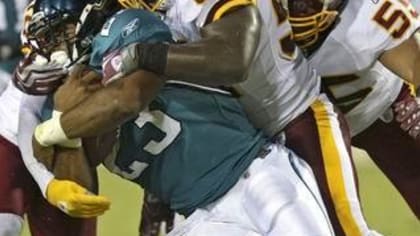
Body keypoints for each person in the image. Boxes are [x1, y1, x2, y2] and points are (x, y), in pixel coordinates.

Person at [51, 1, 377, 235]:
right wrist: (61, 121)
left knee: (348, 230)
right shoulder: (85, 75)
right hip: (231, 158)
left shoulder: (173, 13)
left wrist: (138, 55)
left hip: (295, 117)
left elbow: (232, 61)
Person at [285, 0, 420, 219]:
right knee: (321, 217)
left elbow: (416, 65)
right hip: (312, 127)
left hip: (387, 107)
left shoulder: (365, 11)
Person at [0, 0, 115, 235]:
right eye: (44, 37)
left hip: (68, 150)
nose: (47, 46)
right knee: (5, 226)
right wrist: (48, 185)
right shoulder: (41, 62)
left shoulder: (110, 49)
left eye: (60, 32)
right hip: (10, 142)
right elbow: (27, 117)